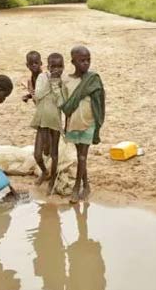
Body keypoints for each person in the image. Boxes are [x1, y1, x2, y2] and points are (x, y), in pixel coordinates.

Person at [61, 46, 105, 203]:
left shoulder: (93, 79)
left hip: (89, 123)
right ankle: (86, 185)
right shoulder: (66, 81)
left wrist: (98, 122)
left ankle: (76, 187)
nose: (85, 63)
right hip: (74, 123)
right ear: (73, 61)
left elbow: (100, 102)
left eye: (88, 60)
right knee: (80, 156)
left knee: (82, 157)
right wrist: (66, 126)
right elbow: (66, 105)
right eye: (82, 61)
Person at [31, 53, 65, 193]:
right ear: (48, 66)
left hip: (55, 121)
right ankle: (45, 172)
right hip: (41, 119)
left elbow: (62, 102)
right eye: (53, 66)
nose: (56, 69)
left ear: (63, 67)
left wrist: (56, 86)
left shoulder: (64, 82)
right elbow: (38, 95)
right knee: (38, 154)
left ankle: (52, 181)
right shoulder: (42, 77)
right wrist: (50, 81)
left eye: (59, 66)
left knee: (54, 153)